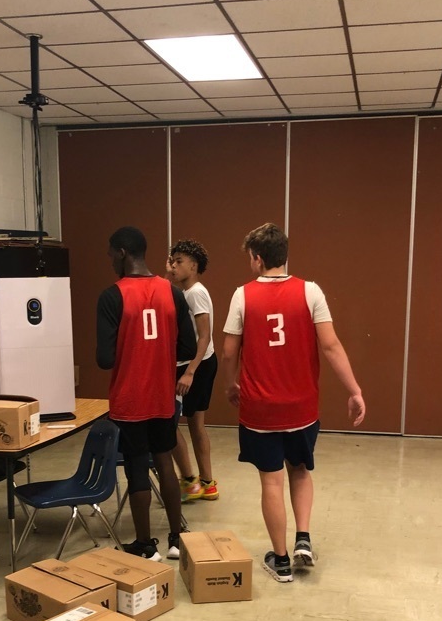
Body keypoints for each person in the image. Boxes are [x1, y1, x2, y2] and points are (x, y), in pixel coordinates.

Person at [222, 222, 365, 583]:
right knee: (300, 470)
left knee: (271, 482)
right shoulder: (310, 291)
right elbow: (331, 346)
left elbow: (228, 351)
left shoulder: (242, 295)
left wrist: (230, 383)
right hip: (301, 408)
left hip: (260, 410)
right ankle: (303, 538)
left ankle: (281, 560)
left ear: (257, 258)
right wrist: (354, 390)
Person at [97, 226, 196, 561]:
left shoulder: (112, 296)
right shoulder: (173, 293)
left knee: (137, 466)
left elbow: (104, 359)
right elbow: (188, 347)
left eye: (111, 254)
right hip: (162, 396)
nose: (110, 260)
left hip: (130, 399)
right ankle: (176, 539)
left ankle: (145, 545)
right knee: (164, 460)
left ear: (123, 253)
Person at [166, 239, 219, 502]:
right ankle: (203, 483)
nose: (174, 267)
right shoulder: (183, 292)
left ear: (194, 266)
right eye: (172, 262)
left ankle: (193, 482)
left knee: (172, 424)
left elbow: (205, 335)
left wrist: (190, 372)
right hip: (193, 364)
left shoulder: (195, 293)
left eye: (179, 262)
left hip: (197, 365)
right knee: (190, 424)